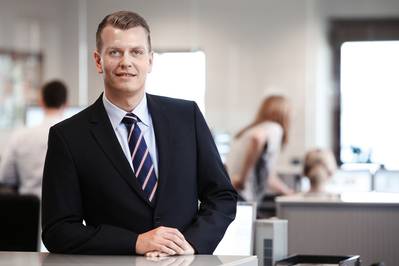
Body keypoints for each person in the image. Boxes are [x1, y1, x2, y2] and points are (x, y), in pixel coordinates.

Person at [41, 10, 237, 256]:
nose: (126, 62)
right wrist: (135, 242)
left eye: (136, 52)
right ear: (98, 61)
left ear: (150, 60)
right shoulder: (68, 136)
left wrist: (193, 243)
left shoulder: (187, 117)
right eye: (115, 52)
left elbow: (222, 195)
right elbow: (58, 230)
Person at [0, 80, 68, 198]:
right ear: (66, 104)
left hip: (28, 211)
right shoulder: (74, 135)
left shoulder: (20, 136)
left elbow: (5, 177)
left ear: (41, 102)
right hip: (65, 211)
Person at [225, 95, 294, 203]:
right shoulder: (274, 128)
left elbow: (269, 178)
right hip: (242, 194)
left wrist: (288, 192)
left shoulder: (249, 130)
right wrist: (242, 179)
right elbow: (257, 139)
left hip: (230, 191)